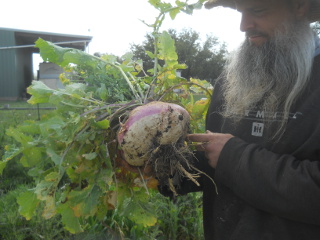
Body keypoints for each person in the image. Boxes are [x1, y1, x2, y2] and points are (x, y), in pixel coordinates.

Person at [160, 0, 320, 239]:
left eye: (257, 11)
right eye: (240, 12)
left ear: (299, 7)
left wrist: (233, 157)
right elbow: (213, 162)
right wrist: (162, 165)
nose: (244, 25)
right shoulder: (231, 82)